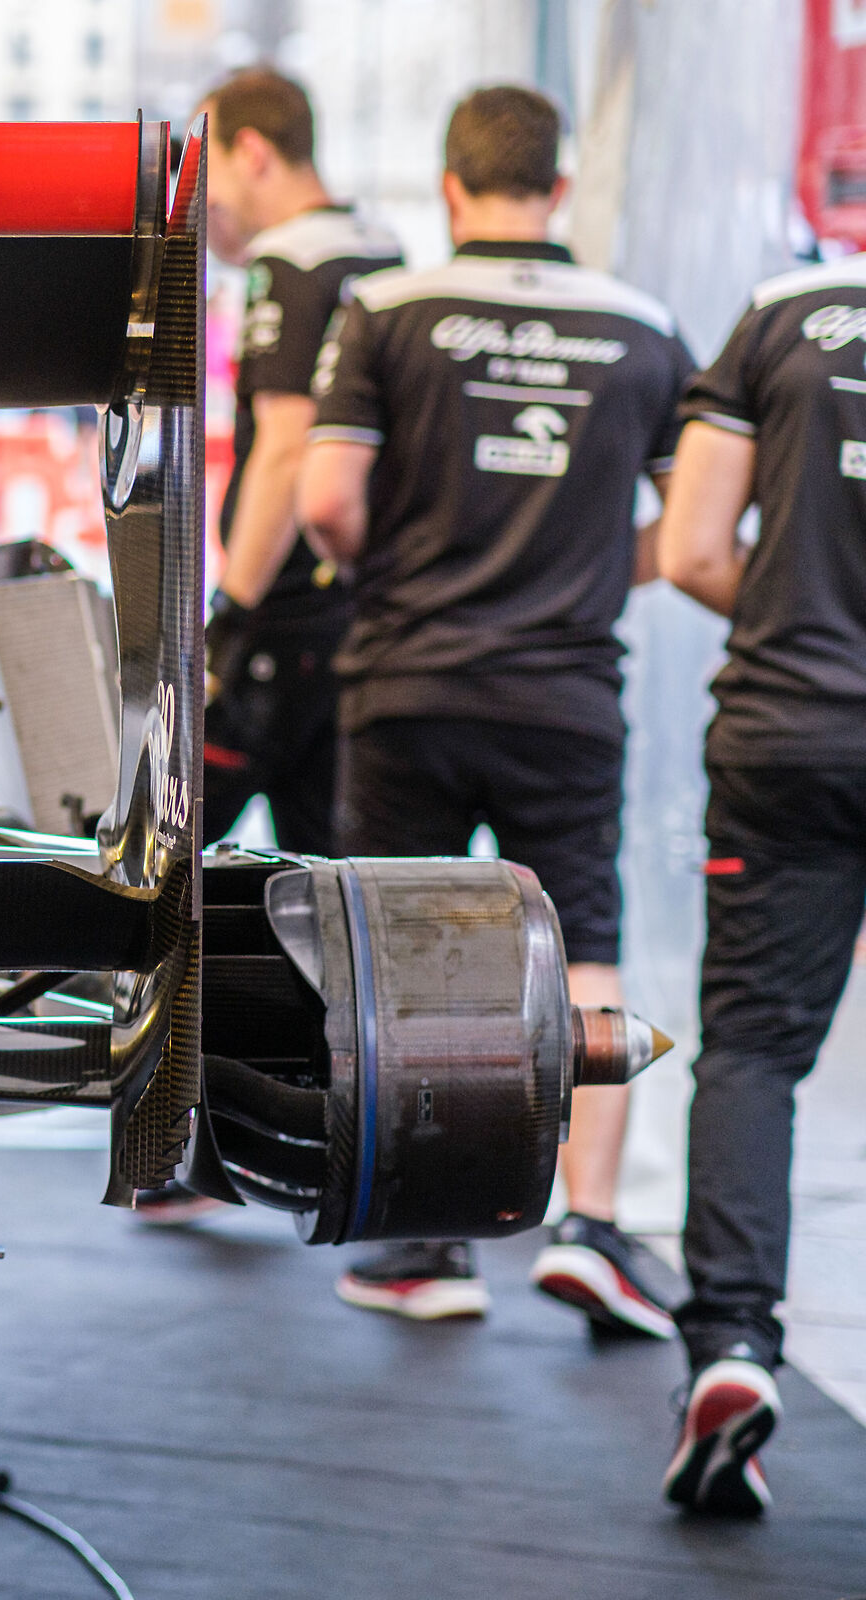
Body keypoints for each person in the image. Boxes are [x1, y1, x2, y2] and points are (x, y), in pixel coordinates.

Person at [296, 86, 691, 1330]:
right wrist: (579, 579)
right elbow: (681, 537)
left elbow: (326, 503)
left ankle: (422, 1248)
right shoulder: (643, 326)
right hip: (566, 689)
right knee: (588, 936)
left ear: (450, 185)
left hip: (410, 675)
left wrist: (405, 568)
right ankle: (592, 1223)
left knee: (399, 960)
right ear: (559, 188)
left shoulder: (388, 310)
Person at [137, 68, 403, 1226]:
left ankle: (194, 1145)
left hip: (279, 632)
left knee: (176, 881)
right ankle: (345, 1156)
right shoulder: (388, 256)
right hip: (351, 628)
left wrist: (228, 615)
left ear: (253, 150)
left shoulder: (296, 267)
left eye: (213, 178)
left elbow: (289, 451)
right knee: (333, 898)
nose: (212, 217)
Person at [648, 253, 866, 1516]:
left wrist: (791, 611)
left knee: (754, 1055)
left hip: (790, 731)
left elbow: (688, 550)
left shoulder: (785, 317)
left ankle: (731, 1344)